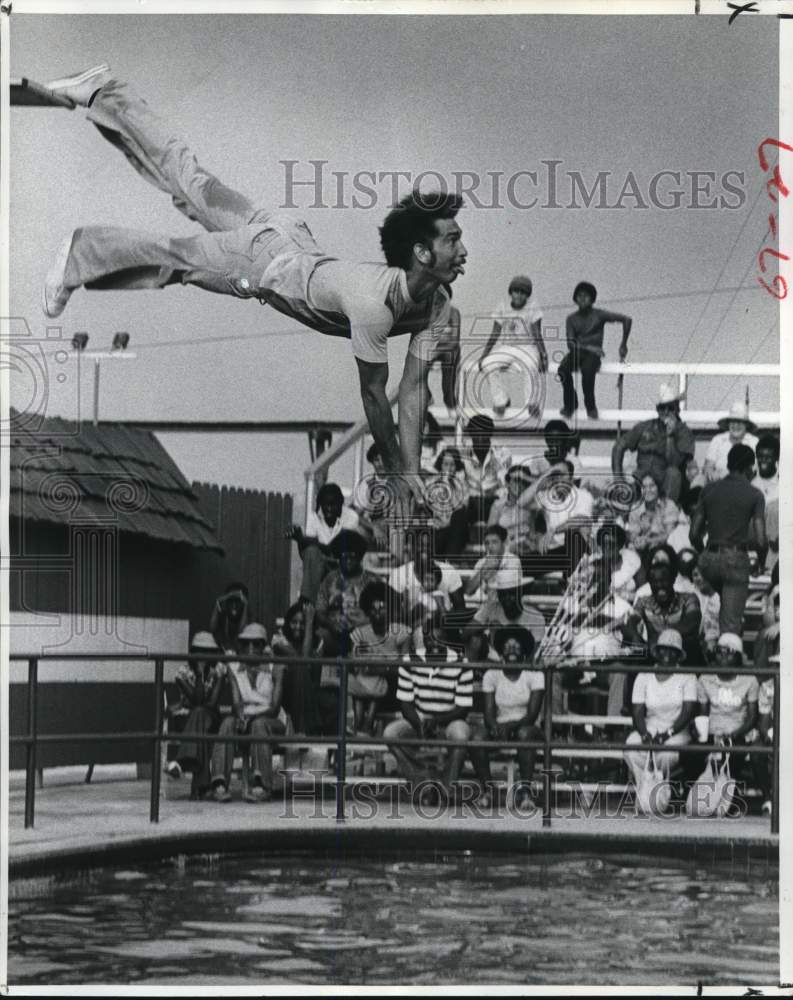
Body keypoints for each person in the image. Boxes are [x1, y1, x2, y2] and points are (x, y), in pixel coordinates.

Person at [42, 67, 467, 479]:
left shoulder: (439, 306)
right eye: (453, 240)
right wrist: (396, 471)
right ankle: (80, 251)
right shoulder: (373, 306)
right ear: (422, 254)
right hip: (260, 260)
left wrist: (412, 472)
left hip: (290, 235)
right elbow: (375, 397)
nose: (463, 251)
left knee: (193, 181)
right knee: (176, 261)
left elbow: (412, 392)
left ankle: (104, 91)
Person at [383, 613, 474, 793]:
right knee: (390, 733)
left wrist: (438, 721)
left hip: (449, 720)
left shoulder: (461, 662)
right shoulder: (410, 660)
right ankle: (422, 779)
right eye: (429, 640)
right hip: (420, 718)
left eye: (439, 640)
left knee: (461, 735)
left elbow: (463, 708)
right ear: (423, 639)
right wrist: (419, 724)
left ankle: (447, 787)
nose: (433, 645)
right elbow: (406, 703)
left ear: (446, 640)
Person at [690, 443, 767, 635]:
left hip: (709, 559)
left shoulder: (708, 490)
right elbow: (760, 540)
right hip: (734, 559)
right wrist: (761, 563)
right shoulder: (754, 494)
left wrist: (704, 553)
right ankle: (727, 659)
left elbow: (693, 534)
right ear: (750, 467)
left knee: (714, 617)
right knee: (730, 626)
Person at [469, 626, 545, 809]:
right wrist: (494, 726)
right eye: (508, 647)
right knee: (476, 739)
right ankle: (488, 791)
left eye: (516, 647)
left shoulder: (534, 674)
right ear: (501, 651)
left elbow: (532, 715)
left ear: (524, 652)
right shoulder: (491, 675)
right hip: (501, 726)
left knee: (524, 735)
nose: (511, 650)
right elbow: (489, 714)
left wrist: (510, 727)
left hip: (527, 727)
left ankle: (526, 793)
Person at [210, 622, 286, 803]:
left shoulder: (276, 667)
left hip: (270, 721)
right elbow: (237, 703)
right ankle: (219, 783)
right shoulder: (234, 668)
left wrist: (252, 718)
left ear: (263, 646)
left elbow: (275, 707)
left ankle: (262, 785)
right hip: (246, 718)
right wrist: (241, 716)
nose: (251, 648)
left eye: (256, 644)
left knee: (259, 725)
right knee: (228, 722)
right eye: (246, 644)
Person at [624, 628, 698, 785]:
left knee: (666, 755)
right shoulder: (644, 676)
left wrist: (667, 734)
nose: (667, 654)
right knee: (631, 747)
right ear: (657, 651)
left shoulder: (688, 677)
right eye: (663, 649)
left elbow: (687, 712)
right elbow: (637, 711)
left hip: (676, 732)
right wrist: (644, 734)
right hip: (649, 729)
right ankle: (644, 787)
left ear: (679, 655)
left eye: (672, 651)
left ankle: (660, 788)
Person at [474, 274, 548, 419]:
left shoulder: (533, 307)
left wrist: (543, 355)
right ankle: (501, 400)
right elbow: (495, 333)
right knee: (489, 364)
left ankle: (531, 403)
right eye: (516, 292)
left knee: (531, 365)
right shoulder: (502, 306)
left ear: (527, 296)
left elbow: (537, 333)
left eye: (523, 293)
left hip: (528, 347)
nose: (519, 296)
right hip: (508, 347)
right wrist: (484, 354)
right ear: (511, 293)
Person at [558, 281, 632, 420]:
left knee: (587, 372)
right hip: (577, 352)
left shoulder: (599, 314)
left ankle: (591, 407)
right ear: (575, 299)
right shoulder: (571, 318)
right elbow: (570, 343)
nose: (582, 299)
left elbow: (627, 319)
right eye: (579, 296)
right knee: (562, 370)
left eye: (586, 296)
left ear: (592, 299)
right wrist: (588, 346)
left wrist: (623, 344)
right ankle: (570, 404)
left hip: (593, 355)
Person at [611, 384, 695, 503]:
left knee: (673, 473)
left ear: (677, 409)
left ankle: (666, 512)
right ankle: (626, 518)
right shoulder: (645, 426)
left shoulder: (684, 432)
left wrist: (670, 436)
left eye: (670, 407)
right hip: (641, 479)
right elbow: (619, 446)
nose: (666, 412)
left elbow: (675, 462)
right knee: (621, 494)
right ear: (657, 409)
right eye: (662, 408)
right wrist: (618, 479)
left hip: (666, 482)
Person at [167, 631, 226, 799]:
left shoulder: (219, 670)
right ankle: (201, 788)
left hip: (212, 717)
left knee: (200, 713)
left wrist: (201, 675)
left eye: (208, 651)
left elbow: (211, 703)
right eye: (200, 651)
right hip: (188, 721)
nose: (204, 656)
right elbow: (197, 700)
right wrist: (200, 674)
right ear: (193, 652)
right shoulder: (182, 672)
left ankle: (180, 762)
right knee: (200, 724)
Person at [349, 581, 412, 735]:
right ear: (367, 611)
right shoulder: (360, 632)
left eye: (382, 608)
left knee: (375, 678)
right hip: (366, 684)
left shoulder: (401, 632)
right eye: (373, 609)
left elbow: (404, 667)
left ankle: (365, 724)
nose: (378, 613)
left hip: (393, 686)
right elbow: (355, 663)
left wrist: (379, 668)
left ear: (390, 610)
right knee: (360, 678)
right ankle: (360, 725)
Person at [624, 550, 702, 664]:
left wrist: (661, 639)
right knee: (635, 652)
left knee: (692, 646)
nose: (660, 586)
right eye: (655, 582)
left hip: (683, 654)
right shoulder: (644, 601)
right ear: (649, 583)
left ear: (673, 580)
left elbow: (692, 622)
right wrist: (636, 637)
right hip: (654, 654)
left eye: (664, 581)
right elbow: (631, 621)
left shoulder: (688, 598)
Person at [288, 482, 361, 604]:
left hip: (342, 565)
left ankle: (307, 602)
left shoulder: (351, 517)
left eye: (333, 504)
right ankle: (308, 602)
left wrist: (304, 539)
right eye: (325, 505)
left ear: (341, 503)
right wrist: (300, 541)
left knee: (314, 553)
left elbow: (336, 549)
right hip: (320, 565)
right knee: (311, 552)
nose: (329, 509)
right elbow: (305, 554)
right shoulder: (314, 517)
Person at [388, 527, 466, 626]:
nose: (424, 549)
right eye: (420, 545)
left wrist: (442, 617)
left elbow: (460, 608)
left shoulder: (448, 571)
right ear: (412, 547)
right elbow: (393, 612)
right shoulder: (398, 574)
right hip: (410, 627)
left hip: (441, 627)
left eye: (428, 545)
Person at [314, 529, 376, 656]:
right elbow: (320, 611)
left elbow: (379, 613)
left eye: (352, 557)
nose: (348, 561)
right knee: (318, 639)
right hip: (334, 632)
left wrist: (361, 624)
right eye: (344, 557)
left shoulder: (371, 581)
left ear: (359, 558)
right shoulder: (330, 579)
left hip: (362, 632)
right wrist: (331, 625)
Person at [271, 601, 321, 735]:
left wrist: (309, 626)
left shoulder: (315, 642)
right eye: (294, 622)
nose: (298, 627)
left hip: (308, 693)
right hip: (284, 694)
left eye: (303, 623)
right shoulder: (278, 639)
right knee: (299, 667)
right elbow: (303, 660)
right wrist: (309, 622)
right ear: (288, 622)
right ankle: (303, 731)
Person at [460, 415, 512, 530]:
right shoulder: (463, 454)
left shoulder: (502, 452)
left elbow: (504, 483)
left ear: (490, 433)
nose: (479, 438)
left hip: (493, 499)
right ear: (471, 434)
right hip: (471, 501)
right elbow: (460, 483)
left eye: (483, 433)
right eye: (475, 434)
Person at [465, 524, 524, 622]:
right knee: (466, 633)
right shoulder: (482, 562)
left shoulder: (514, 560)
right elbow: (468, 591)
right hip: (488, 606)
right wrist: (484, 569)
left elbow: (507, 589)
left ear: (504, 543)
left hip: (508, 608)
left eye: (494, 542)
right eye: (487, 543)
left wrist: (494, 569)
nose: (490, 547)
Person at [486, 463, 544, 560]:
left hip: (526, 549)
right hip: (504, 549)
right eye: (515, 481)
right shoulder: (498, 505)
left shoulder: (533, 505)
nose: (519, 485)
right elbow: (490, 534)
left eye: (523, 482)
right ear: (508, 483)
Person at [425, 446, 469, 559]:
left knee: (459, 517)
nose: (449, 468)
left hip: (455, 527)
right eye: (446, 464)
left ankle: (451, 561)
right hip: (437, 527)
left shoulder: (462, 484)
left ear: (457, 466)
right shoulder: (431, 482)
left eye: (452, 465)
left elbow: (461, 508)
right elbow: (432, 507)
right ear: (440, 465)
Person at [703, 402, 759, 483]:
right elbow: (708, 467)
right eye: (733, 422)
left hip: (747, 484)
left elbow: (756, 470)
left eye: (739, 422)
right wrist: (711, 474)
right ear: (728, 423)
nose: (735, 425)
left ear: (746, 425)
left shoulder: (754, 442)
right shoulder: (718, 440)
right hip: (720, 484)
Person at [626, 473, 680, 557]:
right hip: (642, 549)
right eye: (644, 487)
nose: (648, 490)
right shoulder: (636, 508)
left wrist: (648, 541)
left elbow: (670, 535)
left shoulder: (669, 505)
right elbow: (633, 533)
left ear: (658, 487)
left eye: (652, 486)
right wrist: (637, 540)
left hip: (664, 548)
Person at [209, 582, 249, 652]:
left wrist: (245, 606)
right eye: (231, 601)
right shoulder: (223, 615)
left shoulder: (248, 616)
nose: (234, 605)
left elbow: (242, 632)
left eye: (237, 601)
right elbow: (212, 628)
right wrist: (217, 603)